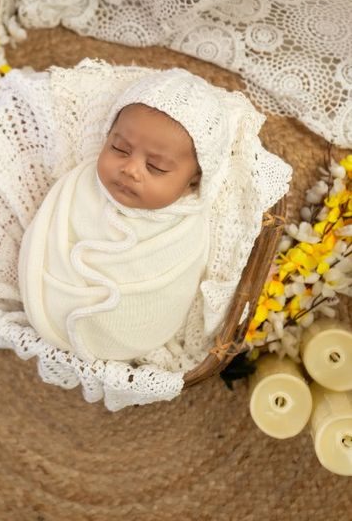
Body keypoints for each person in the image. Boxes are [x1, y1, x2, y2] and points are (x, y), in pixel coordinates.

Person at [18, 64, 292, 369]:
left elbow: (175, 287)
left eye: (157, 167)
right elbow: (44, 238)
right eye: (120, 149)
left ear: (194, 179)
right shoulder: (78, 185)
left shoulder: (185, 226)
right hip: (50, 304)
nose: (131, 169)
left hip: (127, 329)